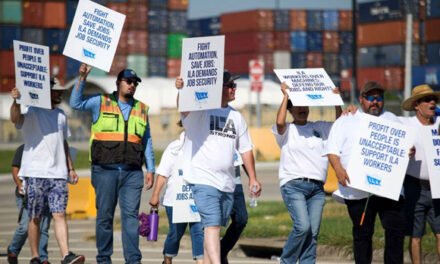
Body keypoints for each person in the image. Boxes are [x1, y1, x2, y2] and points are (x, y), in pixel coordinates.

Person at [70, 64, 155, 264]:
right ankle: (104, 259)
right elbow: (75, 103)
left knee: (131, 220)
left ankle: (133, 260)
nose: (132, 85)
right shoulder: (101, 101)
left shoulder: (141, 109)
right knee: (105, 219)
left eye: (135, 83)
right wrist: (82, 78)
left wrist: (151, 168)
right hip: (104, 171)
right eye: (129, 81)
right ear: (118, 83)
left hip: (132, 173)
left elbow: (147, 140)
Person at [175, 71, 262, 264]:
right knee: (212, 226)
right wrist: (181, 90)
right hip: (204, 181)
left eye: (234, 86)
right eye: (230, 85)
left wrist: (253, 178)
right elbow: (184, 108)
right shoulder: (201, 110)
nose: (234, 89)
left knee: (213, 230)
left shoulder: (237, 117)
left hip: (227, 183)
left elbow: (246, 149)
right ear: (218, 89)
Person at [325, 81, 407, 264]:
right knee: (362, 234)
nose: (375, 102)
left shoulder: (393, 119)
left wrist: (408, 151)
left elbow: (406, 146)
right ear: (361, 99)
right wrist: (338, 170)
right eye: (371, 98)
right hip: (357, 190)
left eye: (379, 98)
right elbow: (332, 150)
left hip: (389, 189)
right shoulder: (346, 120)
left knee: (396, 232)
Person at [10, 78, 85, 264]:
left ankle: (66, 255)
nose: (60, 93)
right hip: (35, 173)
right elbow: (15, 118)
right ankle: (35, 256)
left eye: (60, 90)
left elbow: (63, 143)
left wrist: (70, 168)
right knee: (34, 217)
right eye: (56, 90)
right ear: (46, 92)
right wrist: (15, 101)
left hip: (58, 174)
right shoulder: (31, 111)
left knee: (59, 214)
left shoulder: (61, 115)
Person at [272, 82, 342, 263]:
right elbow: (279, 122)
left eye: (304, 105)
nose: (302, 109)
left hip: (317, 189)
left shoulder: (319, 127)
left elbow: (340, 126)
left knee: (313, 232)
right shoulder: (287, 130)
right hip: (293, 185)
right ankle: (286, 260)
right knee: (302, 227)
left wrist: (336, 101)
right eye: (297, 106)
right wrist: (285, 95)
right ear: (290, 110)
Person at [149, 127, 204, 264]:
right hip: (175, 201)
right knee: (175, 234)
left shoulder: (204, 146)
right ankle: (167, 260)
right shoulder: (174, 147)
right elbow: (163, 173)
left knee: (198, 232)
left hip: (197, 199)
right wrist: (155, 195)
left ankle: (201, 261)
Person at [400, 84, 440, 264]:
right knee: (415, 235)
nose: (432, 102)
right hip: (414, 187)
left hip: (437, 187)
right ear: (416, 105)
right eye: (427, 99)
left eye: (434, 99)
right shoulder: (406, 125)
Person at [7, 144, 52, 264]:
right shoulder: (23, 149)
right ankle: (13, 250)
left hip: (46, 194)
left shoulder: (49, 148)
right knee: (25, 226)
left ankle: (43, 258)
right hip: (25, 196)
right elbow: (15, 169)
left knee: (43, 228)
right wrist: (19, 184)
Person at [220, 152, 249, 264]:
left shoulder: (241, 134)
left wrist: (252, 177)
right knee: (214, 223)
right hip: (214, 182)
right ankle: (210, 255)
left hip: (235, 182)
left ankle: (221, 250)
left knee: (241, 219)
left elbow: (246, 151)